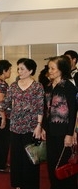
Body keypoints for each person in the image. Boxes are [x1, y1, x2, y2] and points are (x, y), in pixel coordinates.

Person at [0, 58, 44, 189]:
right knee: (16, 156)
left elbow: (40, 107)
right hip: (15, 126)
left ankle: (30, 185)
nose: (19, 71)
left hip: (30, 127)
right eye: (18, 68)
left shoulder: (37, 87)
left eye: (22, 69)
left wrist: (39, 125)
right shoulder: (13, 86)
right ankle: (18, 183)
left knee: (30, 156)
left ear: (30, 70)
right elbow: (4, 103)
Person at [42, 55, 78, 189]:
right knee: (52, 163)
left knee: (65, 164)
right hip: (51, 131)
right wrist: (44, 128)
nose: (50, 71)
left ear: (61, 70)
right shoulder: (49, 86)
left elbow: (73, 111)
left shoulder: (68, 86)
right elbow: (46, 109)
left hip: (64, 132)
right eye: (49, 68)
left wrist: (70, 134)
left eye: (53, 68)